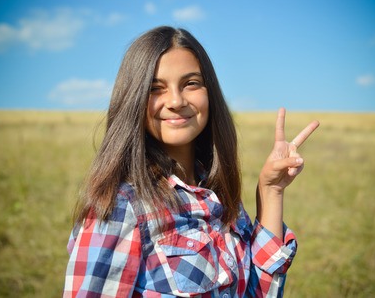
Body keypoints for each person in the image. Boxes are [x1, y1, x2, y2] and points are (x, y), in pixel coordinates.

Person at [63, 26, 319, 297]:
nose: (176, 100)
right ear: (133, 99)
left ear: (210, 93)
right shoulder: (121, 207)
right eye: (155, 88)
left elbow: (256, 293)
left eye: (191, 83)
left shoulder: (218, 197)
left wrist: (271, 191)